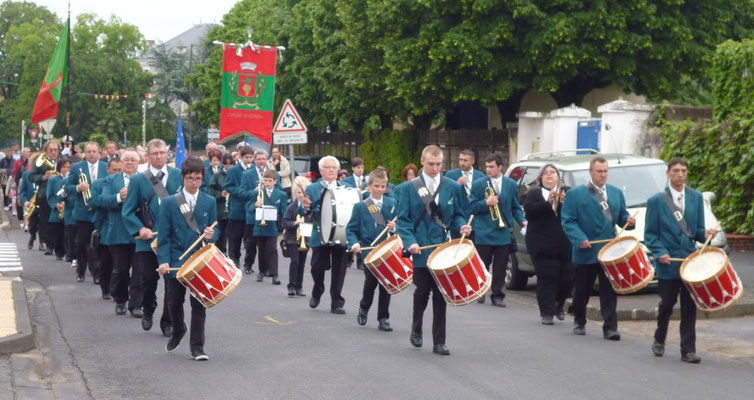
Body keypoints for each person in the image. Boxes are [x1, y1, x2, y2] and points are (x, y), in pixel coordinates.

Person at [396, 145, 471, 355]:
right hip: (419, 248)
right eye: (431, 164)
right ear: (422, 161)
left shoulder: (453, 187)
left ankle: (439, 341)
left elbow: (458, 215)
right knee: (422, 291)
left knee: (441, 294)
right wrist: (409, 242)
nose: (435, 168)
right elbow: (403, 221)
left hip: (444, 248)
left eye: (439, 164)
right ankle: (416, 328)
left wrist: (462, 226)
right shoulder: (407, 189)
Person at [645, 158, 718, 364]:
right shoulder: (656, 201)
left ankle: (688, 350)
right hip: (668, 263)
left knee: (689, 306)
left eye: (683, 171)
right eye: (676, 171)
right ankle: (659, 339)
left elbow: (696, 231)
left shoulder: (695, 198)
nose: (680, 174)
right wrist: (660, 252)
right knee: (667, 304)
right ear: (668, 174)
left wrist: (707, 235)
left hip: (689, 262)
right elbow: (650, 235)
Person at [561, 156, 636, 340]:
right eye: (599, 171)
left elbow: (621, 217)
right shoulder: (575, 194)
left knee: (609, 290)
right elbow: (568, 220)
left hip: (609, 251)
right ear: (590, 172)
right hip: (585, 250)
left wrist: (629, 221)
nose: (603, 175)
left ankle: (610, 327)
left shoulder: (616, 193)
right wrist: (580, 238)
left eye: (605, 171)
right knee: (581, 290)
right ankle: (579, 321)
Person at [157, 156, 218, 361]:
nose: (194, 182)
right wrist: (163, 261)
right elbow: (163, 236)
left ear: (202, 179)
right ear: (183, 177)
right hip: (175, 259)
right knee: (174, 302)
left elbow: (214, 232)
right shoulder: (169, 203)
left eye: (198, 178)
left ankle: (197, 347)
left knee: (198, 304)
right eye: (190, 178)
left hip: (199, 260)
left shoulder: (209, 201)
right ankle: (178, 329)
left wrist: (211, 235)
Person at [122, 139, 182, 336]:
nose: (159, 156)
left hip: (172, 240)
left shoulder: (177, 176)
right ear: (147, 156)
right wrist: (140, 229)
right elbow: (128, 211)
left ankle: (168, 322)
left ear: (167, 154)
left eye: (162, 153)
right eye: (155, 153)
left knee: (172, 283)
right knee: (148, 280)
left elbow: (185, 208)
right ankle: (148, 309)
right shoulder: (139, 179)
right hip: (147, 241)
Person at [469, 153, 526, 307]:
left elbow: (515, 208)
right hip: (484, 231)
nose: (488, 169)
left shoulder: (511, 185)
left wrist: (523, 222)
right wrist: (485, 203)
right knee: (483, 264)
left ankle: (497, 295)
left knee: (500, 266)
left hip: (503, 232)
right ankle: (480, 291)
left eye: (492, 167)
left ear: (500, 167)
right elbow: (471, 207)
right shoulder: (478, 184)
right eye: (487, 166)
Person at [347, 169, 397, 331]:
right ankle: (364, 307)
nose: (380, 189)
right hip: (369, 251)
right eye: (376, 186)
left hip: (387, 251)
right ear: (369, 186)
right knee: (371, 283)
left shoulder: (392, 204)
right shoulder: (361, 207)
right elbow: (351, 230)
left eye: (383, 186)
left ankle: (384, 318)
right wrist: (354, 243)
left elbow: (403, 227)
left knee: (386, 284)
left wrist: (395, 229)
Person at [523, 164, 573, 325]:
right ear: (541, 178)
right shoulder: (534, 194)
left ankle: (558, 304)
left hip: (564, 243)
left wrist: (564, 203)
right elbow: (529, 212)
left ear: (558, 176)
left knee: (567, 277)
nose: (549, 175)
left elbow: (574, 212)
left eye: (552, 172)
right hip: (541, 244)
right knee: (547, 278)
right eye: (545, 173)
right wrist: (547, 203)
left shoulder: (567, 192)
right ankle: (546, 312)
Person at [300, 156, 350, 314]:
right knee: (317, 267)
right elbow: (304, 211)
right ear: (321, 171)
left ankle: (337, 301)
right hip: (320, 232)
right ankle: (318, 288)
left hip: (341, 233)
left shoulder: (346, 187)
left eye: (333, 167)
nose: (330, 170)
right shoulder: (312, 189)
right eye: (327, 167)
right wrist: (306, 207)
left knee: (339, 268)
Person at [101, 150, 139, 316]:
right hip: (118, 231)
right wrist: (118, 197)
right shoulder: (111, 180)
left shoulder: (145, 179)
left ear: (138, 163)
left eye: (133, 160)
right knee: (121, 269)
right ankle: (121, 300)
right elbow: (103, 200)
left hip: (139, 232)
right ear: (121, 163)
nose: (129, 163)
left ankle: (136, 304)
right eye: (126, 160)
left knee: (140, 271)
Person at [66, 142, 108, 282]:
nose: (91, 154)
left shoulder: (105, 166)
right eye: (89, 151)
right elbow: (68, 187)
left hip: (100, 211)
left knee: (97, 245)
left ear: (99, 152)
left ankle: (97, 273)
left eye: (94, 151)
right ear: (85, 153)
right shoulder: (77, 167)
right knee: (81, 243)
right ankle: (81, 271)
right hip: (83, 212)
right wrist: (78, 187)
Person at [248, 169, 287, 284]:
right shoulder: (257, 192)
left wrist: (284, 226)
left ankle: (275, 274)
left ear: (275, 181)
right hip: (260, 225)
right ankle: (261, 271)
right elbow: (248, 207)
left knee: (272, 250)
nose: (268, 183)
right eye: (265, 180)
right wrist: (255, 205)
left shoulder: (281, 194)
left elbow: (283, 211)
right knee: (261, 249)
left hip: (272, 226)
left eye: (270, 180)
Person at [90, 159, 121, 299]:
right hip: (104, 226)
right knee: (106, 261)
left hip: (120, 226)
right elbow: (93, 201)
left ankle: (116, 289)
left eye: (120, 170)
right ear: (108, 170)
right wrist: (108, 199)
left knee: (120, 263)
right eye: (114, 170)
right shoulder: (98, 183)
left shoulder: (126, 183)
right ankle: (105, 288)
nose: (117, 173)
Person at [223, 146, 254, 271]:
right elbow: (228, 186)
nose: (249, 160)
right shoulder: (233, 170)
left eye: (251, 157)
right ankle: (235, 258)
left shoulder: (255, 171)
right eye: (246, 157)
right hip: (237, 208)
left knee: (251, 238)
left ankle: (248, 263)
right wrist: (240, 191)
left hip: (251, 208)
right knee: (235, 236)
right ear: (241, 157)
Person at [282, 176, 312, 297]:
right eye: (299, 192)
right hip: (293, 239)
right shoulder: (291, 207)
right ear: (295, 193)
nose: (301, 195)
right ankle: (292, 286)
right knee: (295, 262)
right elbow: (284, 223)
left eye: (304, 192)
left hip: (305, 238)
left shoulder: (309, 207)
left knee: (302, 263)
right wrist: (295, 223)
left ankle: (299, 287)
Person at [29, 139, 61, 252]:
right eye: (50, 150)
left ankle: (58, 245)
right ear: (46, 151)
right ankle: (48, 244)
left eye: (55, 150)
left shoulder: (62, 161)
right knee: (45, 220)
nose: (53, 152)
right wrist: (43, 177)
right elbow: (31, 177)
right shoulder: (40, 161)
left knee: (59, 221)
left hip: (60, 195)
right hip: (45, 194)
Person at [45, 159, 71, 261]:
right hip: (58, 210)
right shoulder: (53, 180)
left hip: (69, 210)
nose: (66, 169)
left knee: (69, 234)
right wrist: (56, 205)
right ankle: (59, 252)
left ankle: (69, 254)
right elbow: (49, 195)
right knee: (58, 234)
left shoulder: (72, 180)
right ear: (59, 168)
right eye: (64, 167)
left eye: (68, 167)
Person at [208, 153, 232, 254]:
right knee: (220, 232)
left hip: (232, 208)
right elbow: (210, 191)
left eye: (231, 164)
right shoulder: (217, 175)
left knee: (230, 234)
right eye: (226, 164)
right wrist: (220, 194)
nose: (228, 166)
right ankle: (219, 251)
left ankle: (227, 253)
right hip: (221, 208)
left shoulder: (236, 174)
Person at [20, 155, 40, 248]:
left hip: (42, 203)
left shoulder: (44, 175)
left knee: (43, 224)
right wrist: (25, 201)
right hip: (31, 204)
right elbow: (23, 191)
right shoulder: (26, 174)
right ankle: (32, 236)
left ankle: (42, 243)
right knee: (32, 224)